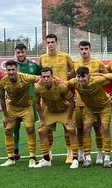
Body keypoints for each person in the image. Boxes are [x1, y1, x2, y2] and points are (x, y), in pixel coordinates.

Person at [40, 33, 75, 163]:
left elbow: (74, 69)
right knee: (47, 128)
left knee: (68, 127)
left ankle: (70, 153)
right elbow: (41, 74)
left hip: (63, 95)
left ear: (56, 43)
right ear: (46, 44)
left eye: (52, 42)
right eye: (48, 42)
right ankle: (48, 154)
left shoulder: (64, 56)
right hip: (48, 98)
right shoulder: (43, 58)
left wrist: (66, 80)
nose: (50, 45)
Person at [34, 67, 79, 169]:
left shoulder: (60, 86)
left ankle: (75, 159)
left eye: (48, 77)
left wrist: (69, 118)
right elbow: (36, 102)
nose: (46, 79)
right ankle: (46, 160)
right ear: (41, 77)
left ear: (52, 77)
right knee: (41, 130)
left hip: (64, 110)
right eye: (44, 77)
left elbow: (72, 101)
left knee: (71, 130)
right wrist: (41, 119)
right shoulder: (38, 87)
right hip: (50, 111)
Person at [67, 66, 112, 168]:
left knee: (104, 128)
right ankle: (87, 158)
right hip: (89, 108)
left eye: (83, 77)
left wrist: (101, 74)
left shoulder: (97, 80)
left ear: (88, 76)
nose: (81, 79)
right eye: (79, 77)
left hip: (104, 106)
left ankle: (107, 158)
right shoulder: (74, 82)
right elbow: (65, 83)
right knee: (86, 129)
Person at [0, 60, 40, 167]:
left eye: (13, 70)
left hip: (26, 107)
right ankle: (11, 158)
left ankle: (32, 157)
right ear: (6, 71)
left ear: (17, 69)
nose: (11, 72)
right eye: (8, 70)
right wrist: (5, 116)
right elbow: (2, 99)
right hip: (12, 107)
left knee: (30, 129)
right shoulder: (2, 82)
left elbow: (40, 78)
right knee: (8, 130)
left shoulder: (25, 77)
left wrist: (54, 80)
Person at [74, 41, 108, 164]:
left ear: (90, 50)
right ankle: (81, 153)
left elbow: (108, 77)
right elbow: (73, 79)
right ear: (79, 50)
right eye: (82, 49)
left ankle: (99, 154)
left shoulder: (97, 63)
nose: (84, 51)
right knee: (80, 129)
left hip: (95, 103)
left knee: (97, 129)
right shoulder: (75, 63)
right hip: (80, 102)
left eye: (86, 49)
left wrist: (96, 76)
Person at [13, 43, 41, 161]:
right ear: (16, 53)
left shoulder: (33, 66)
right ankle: (15, 150)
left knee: (30, 128)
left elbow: (41, 78)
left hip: (30, 101)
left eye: (22, 52)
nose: (20, 54)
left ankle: (32, 154)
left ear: (26, 52)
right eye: (18, 52)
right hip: (15, 102)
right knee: (15, 128)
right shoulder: (13, 67)